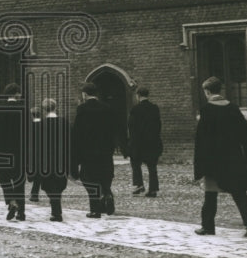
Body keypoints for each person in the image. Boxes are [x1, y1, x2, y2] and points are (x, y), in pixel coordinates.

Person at [192, 76, 247, 236]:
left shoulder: (206, 110)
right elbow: (246, 135)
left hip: (213, 160)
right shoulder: (233, 108)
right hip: (233, 158)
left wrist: (199, 165)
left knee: (210, 194)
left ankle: (208, 226)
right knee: (239, 192)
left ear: (207, 91)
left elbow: (201, 140)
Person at [70, 82, 117, 218]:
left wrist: (76, 154)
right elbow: (112, 130)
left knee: (89, 179)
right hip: (105, 151)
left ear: (84, 94)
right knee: (105, 175)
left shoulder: (82, 109)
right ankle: (107, 194)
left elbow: (77, 133)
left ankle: (95, 210)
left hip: (88, 152)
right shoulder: (107, 108)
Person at [0, 83, 27, 221]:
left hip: (1, 154)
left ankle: (11, 201)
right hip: (19, 153)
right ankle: (21, 212)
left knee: (5, 180)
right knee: (19, 182)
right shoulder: (24, 110)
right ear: (16, 94)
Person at [127, 85, 163, 198]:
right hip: (152, 142)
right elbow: (158, 125)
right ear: (148, 95)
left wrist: (131, 143)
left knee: (136, 164)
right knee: (152, 167)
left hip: (139, 143)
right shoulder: (154, 108)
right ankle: (153, 189)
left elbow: (131, 127)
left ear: (138, 96)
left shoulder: (135, 110)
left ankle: (138, 185)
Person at [38, 99, 70, 222]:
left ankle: (56, 211)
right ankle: (56, 210)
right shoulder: (64, 122)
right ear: (55, 107)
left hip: (46, 160)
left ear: (44, 109)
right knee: (59, 185)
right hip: (61, 158)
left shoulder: (41, 124)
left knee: (49, 186)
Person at [27, 106, 42, 203]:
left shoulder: (28, 127)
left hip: (30, 152)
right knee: (39, 174)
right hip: (41, 152)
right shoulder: (45, 125)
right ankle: (34, 193)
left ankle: (30, 175)